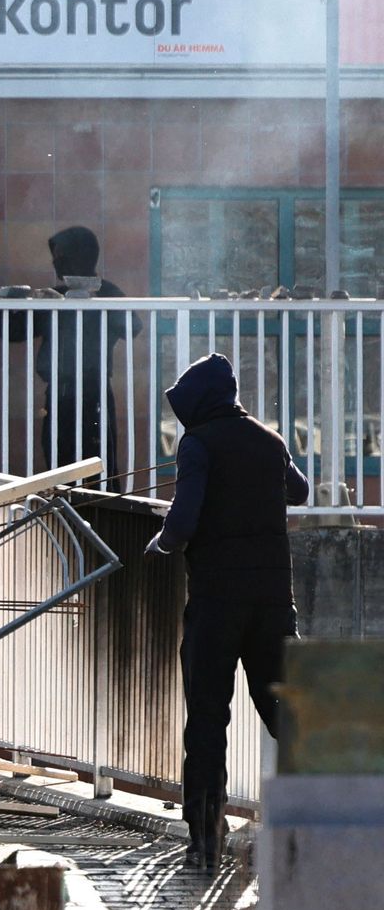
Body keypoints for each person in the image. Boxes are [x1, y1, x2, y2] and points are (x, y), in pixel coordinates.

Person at [145, 353, 309, 873]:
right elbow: (299, 492)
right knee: (291, 717)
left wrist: (161, 543)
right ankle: (310, 830)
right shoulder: (269, 440)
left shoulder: (198, 444)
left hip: (216, 604)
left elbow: (184, 519)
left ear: (197, 403)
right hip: (272, 604)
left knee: (209, 720)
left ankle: (206, 842)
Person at [0, 226, 139, 468]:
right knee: (60, 465)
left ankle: (98, 508)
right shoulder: (55, 297)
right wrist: (0, 304)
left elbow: (133, 327)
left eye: (62, 255)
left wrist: (98, 307)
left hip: (95, 394)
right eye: (55, 256)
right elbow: (16, 331)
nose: (57, 262)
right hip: (60, 394)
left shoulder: (107, 293)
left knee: (99, 465)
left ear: (79, 255)